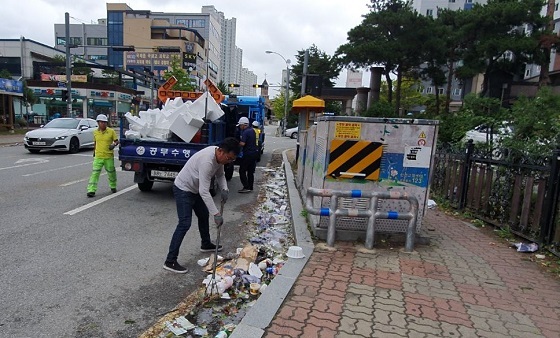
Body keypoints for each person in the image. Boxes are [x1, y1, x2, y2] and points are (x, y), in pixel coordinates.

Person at [163, 137, 240, 274]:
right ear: (221, 151)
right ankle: (170, 261)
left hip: (194, 189)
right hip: (183, 189)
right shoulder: (207, 161)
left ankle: (205, 243)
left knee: (203, 215)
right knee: (185, 223)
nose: (229, 162)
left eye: (232, 160)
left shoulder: (220, 158)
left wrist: (225, 189)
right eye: (229, 158)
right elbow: (204, 191)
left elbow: (221, 175)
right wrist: (216, 214)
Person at [87, 114, 118, 197]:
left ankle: (113, 186)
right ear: (98, 123)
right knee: (95, 173)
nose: (103, 124)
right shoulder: (95, 132)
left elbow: (116, 141)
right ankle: (91, 190)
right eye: (101, 122)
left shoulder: (111, 131)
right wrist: (94, 152)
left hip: (108, 157)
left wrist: (114, 144)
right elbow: (95, 142)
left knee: (111, 173)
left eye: (105, 122)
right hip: (98, 157)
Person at [237, 117, 258, 193]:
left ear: (243, 125)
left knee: (242, 170)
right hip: (254, 153)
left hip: (248, 154)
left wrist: (236, 145)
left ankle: (246, 186)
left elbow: (243, 143)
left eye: (240, 125)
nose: (240, 127)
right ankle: (250, 187)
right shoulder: (252, 131)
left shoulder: (245, 132)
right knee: (250, 171)